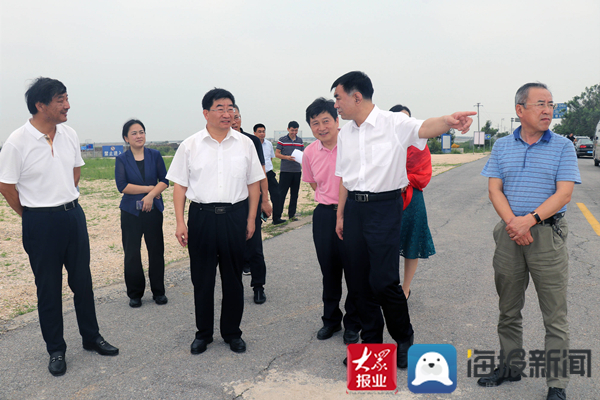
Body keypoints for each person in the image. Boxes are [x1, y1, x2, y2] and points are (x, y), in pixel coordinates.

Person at [332, 71, 474, 368]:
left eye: (338, 98)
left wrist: (448, 121)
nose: (336, 105)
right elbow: (344, 177)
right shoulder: (345, 133)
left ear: (356, 97)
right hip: (355, 209)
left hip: (384, 207)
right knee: (358, 282)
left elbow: (424, 128)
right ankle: (371, 346)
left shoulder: (393, 123)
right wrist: (341, 214)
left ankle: (404, 338)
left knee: (383, 281)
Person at [0, 77, 119, 377]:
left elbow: (76, 170)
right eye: (60, 100)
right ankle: (56, 349)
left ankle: (91, 337)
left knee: (83, 282)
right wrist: (30, 213)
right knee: (49, 289)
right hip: (40, 222)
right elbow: (6, 184)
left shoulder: (68, 134)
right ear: (41, 105)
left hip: (72, 215)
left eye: (67, 98)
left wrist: (64, 197)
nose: (67, 105)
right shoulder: (17, 142)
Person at [478, 83, 580, 400]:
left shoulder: (563, 146)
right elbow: (495, 189)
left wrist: (530, 220)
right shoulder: (502, 146)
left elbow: (564, 192)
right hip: (510, 236)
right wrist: (514, 223)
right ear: (520, 110)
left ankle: (557, 384)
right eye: (540, 104)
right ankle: (511, 366)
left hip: (547, 235)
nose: (548, 110)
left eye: (551, 104)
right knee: (508, 309)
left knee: (555, 316)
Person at [166, 88, 264, 355]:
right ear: (205, 113)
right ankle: (203, 334)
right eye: (220, 107)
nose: (226, 113)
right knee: (203, 279)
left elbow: (254, 183)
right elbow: (179, 187)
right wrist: (179, 222)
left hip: (235, 216)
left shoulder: (245, 144)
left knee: (233, 278)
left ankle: (232, 332)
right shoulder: (190, 145)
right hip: (202, 218)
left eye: (230, 107)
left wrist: (252, 217)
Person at [302, 98, 361, 344]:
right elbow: (314, 182)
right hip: (325, 214)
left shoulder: (353, 144)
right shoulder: (309, 152)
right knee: (329, 270)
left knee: (355, 271)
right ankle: (331, 321)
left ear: (337, 121)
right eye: (315, 123)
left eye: (326, 121)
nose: (321, 127)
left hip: (353, 212)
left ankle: (353, 324)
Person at [115, 119, 169, 308]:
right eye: (134, 133)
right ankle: (135, 293)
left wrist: (151, 195)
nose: (139, 136)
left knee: (156, 251)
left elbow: (164, 180)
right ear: (126, 138)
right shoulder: (122, 159)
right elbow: (122, 186)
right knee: (131, 253)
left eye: (141, 132)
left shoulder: (155, 155)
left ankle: (158, 291)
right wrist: (147, 189)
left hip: (153, 210)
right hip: (130, 212)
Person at [389, 105, 436, 300]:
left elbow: (424, 173)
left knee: (412, 242)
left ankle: (405, 289)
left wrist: (405, 179)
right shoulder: (384, 141)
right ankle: (388, 286)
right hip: (388, 198)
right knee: (386, 245)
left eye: (406, 119)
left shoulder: (420, 142)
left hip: (412, 196)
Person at [232, 105, 271, 304]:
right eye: (230, 116)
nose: (233, 119)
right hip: (230, 203)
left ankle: (258, 286)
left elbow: (261, 172)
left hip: (251, 200)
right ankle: (234, 288)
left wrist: (265, 199)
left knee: (254, 246)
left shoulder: (252, 141)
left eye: (236, 116)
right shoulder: (219, 143)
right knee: (232, 248)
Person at [255, 123, 284, 225]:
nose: (262, 134)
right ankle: (259, 221)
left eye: (263, 131)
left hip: (269, 174)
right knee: (258, 199)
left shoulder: (269, 144)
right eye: (259, 132)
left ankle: (276, 218)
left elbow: (270, 158)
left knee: (277, 195)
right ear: (254, 133)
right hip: (257, 176)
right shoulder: (252, 144)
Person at [275, 121, 303, 222]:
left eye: (296, 130)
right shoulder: (282, 140)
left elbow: (302, 153)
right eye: (292, 130)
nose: (294, 132)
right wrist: (287, 157)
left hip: (296, 171)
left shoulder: (300, 141)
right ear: (288, 129)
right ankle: (278, 216)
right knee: (281, 194)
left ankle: (292, 215)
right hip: (285, 171)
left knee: (294, 194)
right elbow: (277, 154)